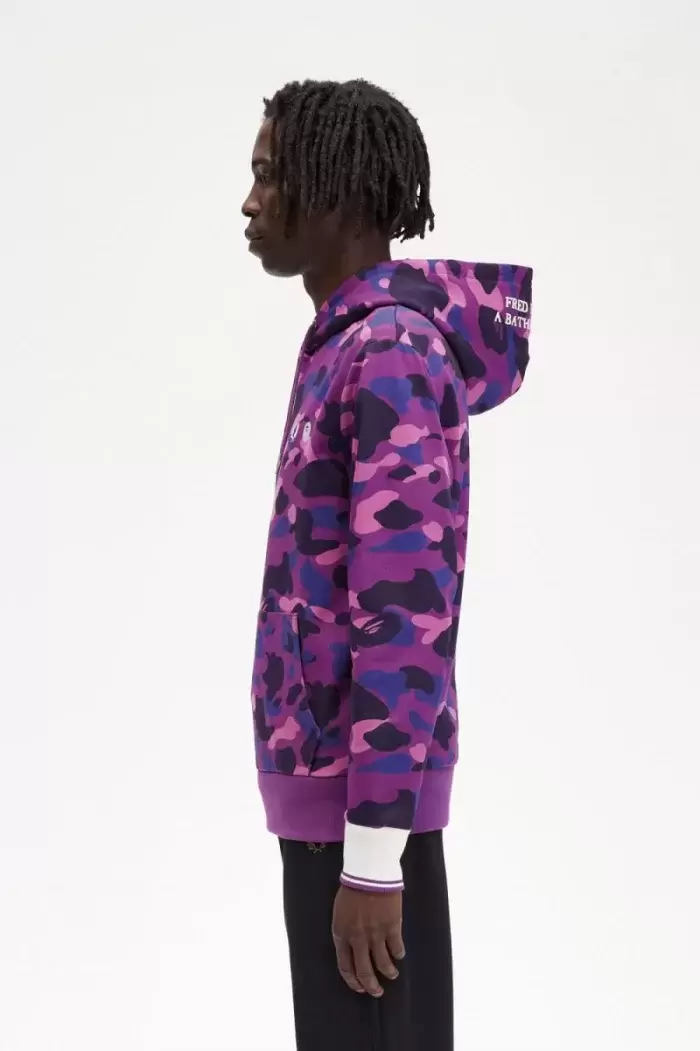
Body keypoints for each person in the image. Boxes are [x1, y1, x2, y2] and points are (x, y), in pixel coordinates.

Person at [241, 78, 533, 1051]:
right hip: (334, 808)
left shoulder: (391, 352)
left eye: (270, 175)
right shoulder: (345, 346)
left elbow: (406, 612)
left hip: (362, 822)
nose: (250, 202)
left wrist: (373, 856)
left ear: (337, 191)